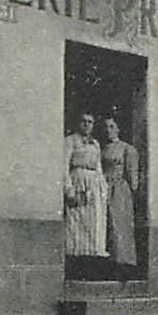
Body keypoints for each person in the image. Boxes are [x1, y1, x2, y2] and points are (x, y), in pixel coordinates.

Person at [63, 113, 109, 263]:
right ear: (78, 123)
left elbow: (99, 168)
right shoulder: (70, 141)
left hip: (94, 184)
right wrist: (69, 190)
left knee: (94, 221)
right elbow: (64, 166)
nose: (87, 125)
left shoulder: (95, 143)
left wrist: (103, 188)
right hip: (78, 180)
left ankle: (93, 257)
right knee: (76, 220)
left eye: (90, 122)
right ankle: (76, 257)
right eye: (83, 121)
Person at [99, 116, 140, 273]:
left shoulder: (126, 148)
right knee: (105, 225)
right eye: (106, 127)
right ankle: (105, 264)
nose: (108, 130)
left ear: (118, 129)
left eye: (111, 126)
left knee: (118, 226)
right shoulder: (101, 148)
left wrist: (130, 190)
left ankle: (122, 264)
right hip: (103, 187)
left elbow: (132, 175)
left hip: (119, 190)